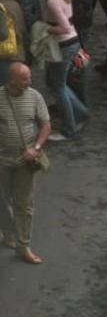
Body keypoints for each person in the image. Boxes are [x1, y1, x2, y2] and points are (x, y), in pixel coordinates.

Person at [0, 62, 51, 264]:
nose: (30, 81)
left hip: (24, 162)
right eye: (25, 78)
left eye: (29, 77)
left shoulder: (34, 97)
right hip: (2, 162)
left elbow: (46, 125)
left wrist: (35, 148)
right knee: (2, 201)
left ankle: (23, 246)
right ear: (11, 80)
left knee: (24, 205)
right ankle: (8, 232)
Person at [44, 0, 89, 140]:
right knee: (56, 83)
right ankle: (81, 112)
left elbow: (64, 27)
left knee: (58, 85)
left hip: (64, 45)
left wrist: (47, 29)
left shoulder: (53, 1)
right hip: (73, 43)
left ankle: (69, 128)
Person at [0, 0, 28, 85]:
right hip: (18, 53)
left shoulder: (1, 6)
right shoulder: (15, 4)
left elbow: (3, 33)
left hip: (5, 56)